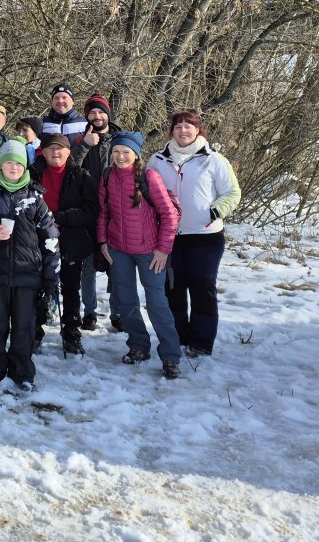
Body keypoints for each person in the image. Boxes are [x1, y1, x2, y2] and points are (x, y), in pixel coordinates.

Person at [0, 139, 59, 391]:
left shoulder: (35, 195)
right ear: (0, 165)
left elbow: (50, 236)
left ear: (24, 166)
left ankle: (22, 372)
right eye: (8, 163)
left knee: (24, 326)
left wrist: (51, 273)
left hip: (28, 272)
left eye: (18, 163)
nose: (14, 167)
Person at [146, 112, 242, 358]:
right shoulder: (157, 160)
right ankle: (177, 337)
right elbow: (146, 193)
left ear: (198, 130)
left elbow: (232, 193)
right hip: (169, 237)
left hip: (204, 236)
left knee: (202, 289)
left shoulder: (214, 160)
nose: (183, 131)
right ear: (171, 131)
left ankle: (201, 342)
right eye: (178, 127)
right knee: (173, 289)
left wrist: (213, 212)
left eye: (188, 126)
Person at [97, 131, 182, 378]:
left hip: (149, 252)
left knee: (157, 304)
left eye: (126, 152)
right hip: (118, 250)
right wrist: (103, 242)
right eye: (116, 152)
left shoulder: (149, 177)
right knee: (126, 301)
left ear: (136, 154)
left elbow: (169, 215)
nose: (120, 156)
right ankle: (138, 346)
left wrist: (163, 250)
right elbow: (103, 213)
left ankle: (170, 357)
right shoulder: (107, 176)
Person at [31, 133, 99, 355]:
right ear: (43, 151)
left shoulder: (80, 175)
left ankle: (71, 333)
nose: (55, 152)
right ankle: (34, 332)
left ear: (68, 151)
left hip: (71, 240)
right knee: (39, 288)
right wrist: (43, 222)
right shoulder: (32, 174)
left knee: (71, 289)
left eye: (60, 148)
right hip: (39, 241)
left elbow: (90, 210)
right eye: (51, 148)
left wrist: (59, 218)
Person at [70, 93, 123, 331]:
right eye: (92, 112)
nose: (97, 115)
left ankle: (117, 313)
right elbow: (71, 168)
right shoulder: (81, 139)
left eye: (101, 111)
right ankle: (89, 312)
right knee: (88, 266)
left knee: (117, 266)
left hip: (115, 212)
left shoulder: (120, 139)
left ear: (108, 115)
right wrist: (85, 145)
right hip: (88, 211)